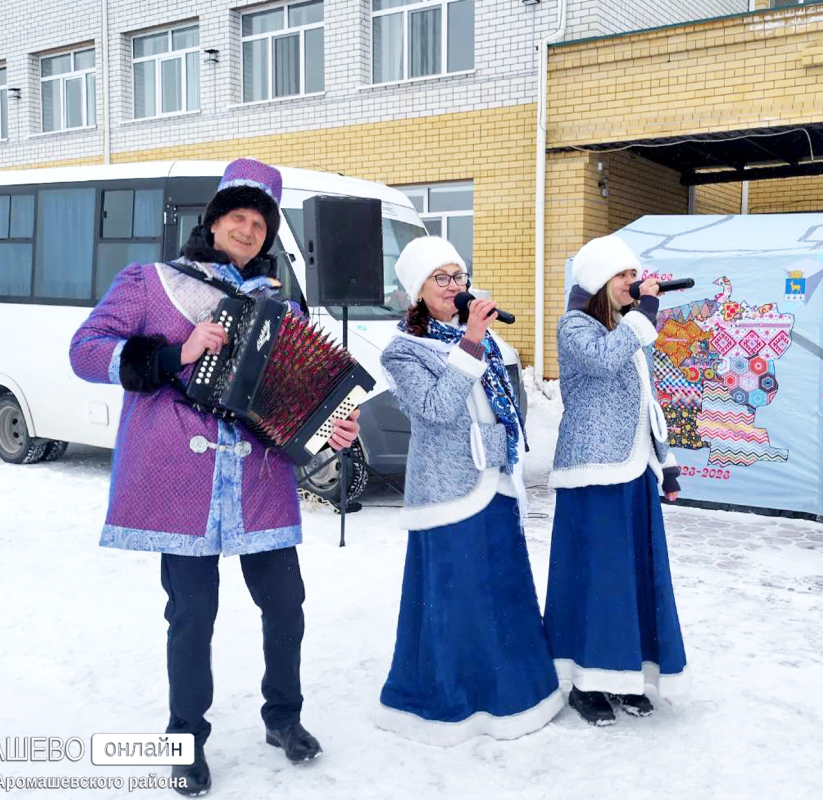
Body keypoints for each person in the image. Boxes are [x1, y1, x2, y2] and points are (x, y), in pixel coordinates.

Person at [69, 159, 360, 796]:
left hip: (258, 483)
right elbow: (85, 350)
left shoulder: (278, 302)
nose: (249, 230)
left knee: (287, 606)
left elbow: (300, 397)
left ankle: (284, 719)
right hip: (181, 479)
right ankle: (185, 741)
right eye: (239, 217)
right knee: (192, 616)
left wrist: (335, 426)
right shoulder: (149, 282)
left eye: (261, 223)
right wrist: (175, 352)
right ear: (215, 220)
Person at [374, 236, 564, 745]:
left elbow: (503, 405)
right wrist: (471, 344)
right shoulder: (402, 351)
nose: (456, 287)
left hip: (497, 481)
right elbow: (436, 410)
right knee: (456, 596)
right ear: (417, 291)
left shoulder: (485, 341)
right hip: (446, 491)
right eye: (443, 278)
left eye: (460, 276)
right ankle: (452, 695)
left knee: (503, 590)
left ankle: (514, 692)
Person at [545, 234, 688, 727]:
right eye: (626, 275)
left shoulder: (629, 330)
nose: (634, 281)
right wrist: (644, 310)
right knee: (598, 577)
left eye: (636, 274)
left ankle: (628, 676)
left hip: (634, 470)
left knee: (633, 577)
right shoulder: (574, 326)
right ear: (601, 282)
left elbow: (647, 401)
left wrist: (665, 462)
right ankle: (587, 682)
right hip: (593, 474)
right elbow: (604, 360)